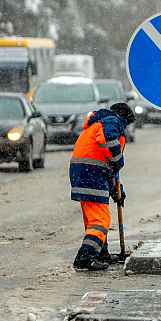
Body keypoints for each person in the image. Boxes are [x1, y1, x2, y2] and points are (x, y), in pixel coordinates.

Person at [70, 102, 135, 271]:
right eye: (127, 123)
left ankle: (100, 253)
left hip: (84, 171)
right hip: (92, 172)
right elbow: (108, 141)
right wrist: (118, 159)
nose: (126, 128)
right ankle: (84, 258)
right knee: (101, 220)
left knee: (93, 219)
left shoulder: (100, 122)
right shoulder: (112, 122)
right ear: (124, 118)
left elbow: (106, 164)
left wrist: (116, 189)